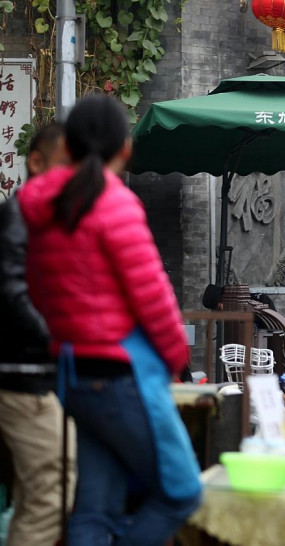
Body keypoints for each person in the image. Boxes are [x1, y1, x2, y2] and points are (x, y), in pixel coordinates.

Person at [18, 95, 201, 546]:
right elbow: (153, 296)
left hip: (73, 374)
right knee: (181, 493)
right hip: (122, 376)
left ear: (72, 146)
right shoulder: (113, 203)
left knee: (95, 511)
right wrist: (179, 356)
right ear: (124, 147)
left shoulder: (39, 208)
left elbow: (38, 293)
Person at [0, 124, 74, 546]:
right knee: (52, 485)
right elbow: (10, 294)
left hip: (32, 371)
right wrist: (56, 337)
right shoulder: (20, 216)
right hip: (21, 374)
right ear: (37, 162)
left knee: (42, 488)